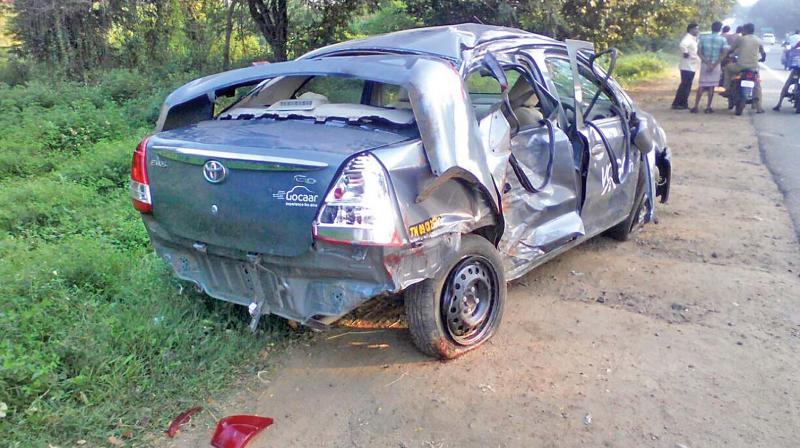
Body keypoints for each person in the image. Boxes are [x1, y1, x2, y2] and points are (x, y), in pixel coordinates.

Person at [723, 23, 766, 113]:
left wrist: (726, 56)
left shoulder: (740, 39)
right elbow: (763, 53)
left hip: (740, 67)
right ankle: (759, 107)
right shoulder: (758, 40)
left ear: (745, 30)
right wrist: (762, 58)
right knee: (757, 86)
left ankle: (726, 88)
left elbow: (731, 49)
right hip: (753, 68)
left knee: (727, 68)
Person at [692, 21, 729, 113]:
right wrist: (715, 64)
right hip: (716, 65)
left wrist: (707, 63)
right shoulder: (722, 40)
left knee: (702, 85)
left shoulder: (703, 38)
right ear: (720, 29)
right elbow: (724, 53)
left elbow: (699, 52)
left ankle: (696, 106)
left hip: (705, 64)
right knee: (711, 86)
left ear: (711, 27)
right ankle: (708, 107)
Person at [672, 23, 700, 110]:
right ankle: (677, 103)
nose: (697, 31)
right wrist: (686, 52)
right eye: (696, 29)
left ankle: (683, 103)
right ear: (691, 29)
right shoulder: (688, 38)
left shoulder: (693, 39)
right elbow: (682, 45)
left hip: (691, 65)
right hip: (687, 65)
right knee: (684, 85)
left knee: (687, 85)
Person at [773, 33, 800, 111]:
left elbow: (789, 53)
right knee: (787, 84)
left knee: (787, 85)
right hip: (796, 69)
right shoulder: (795, 44)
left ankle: (779, 104)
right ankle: (779, 104)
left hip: (796, 69)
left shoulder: (794, 45)